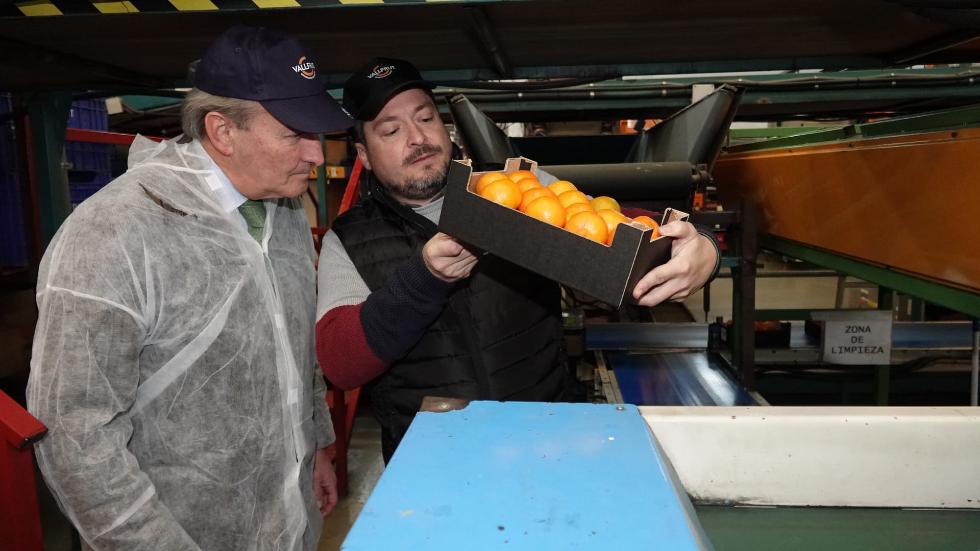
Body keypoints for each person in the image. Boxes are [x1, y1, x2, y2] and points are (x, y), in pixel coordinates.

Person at [27, 26, 350, 550]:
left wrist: (316, 446)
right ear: (222, 130)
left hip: (291, 518)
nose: (316, 154)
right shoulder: (114, 232)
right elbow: (75, 434)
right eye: (295, 135)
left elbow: (295, 344)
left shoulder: (284, 210)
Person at [315, 58, 721, 462]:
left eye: (425, 118)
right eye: (391, 130)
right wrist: (424, 279)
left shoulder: (518, 189)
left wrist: (702, 246)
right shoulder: (348, 239)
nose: (418, 137)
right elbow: (340, 364)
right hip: (429, 460)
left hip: (545, 439)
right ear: (364, 155)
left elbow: (607, 225)